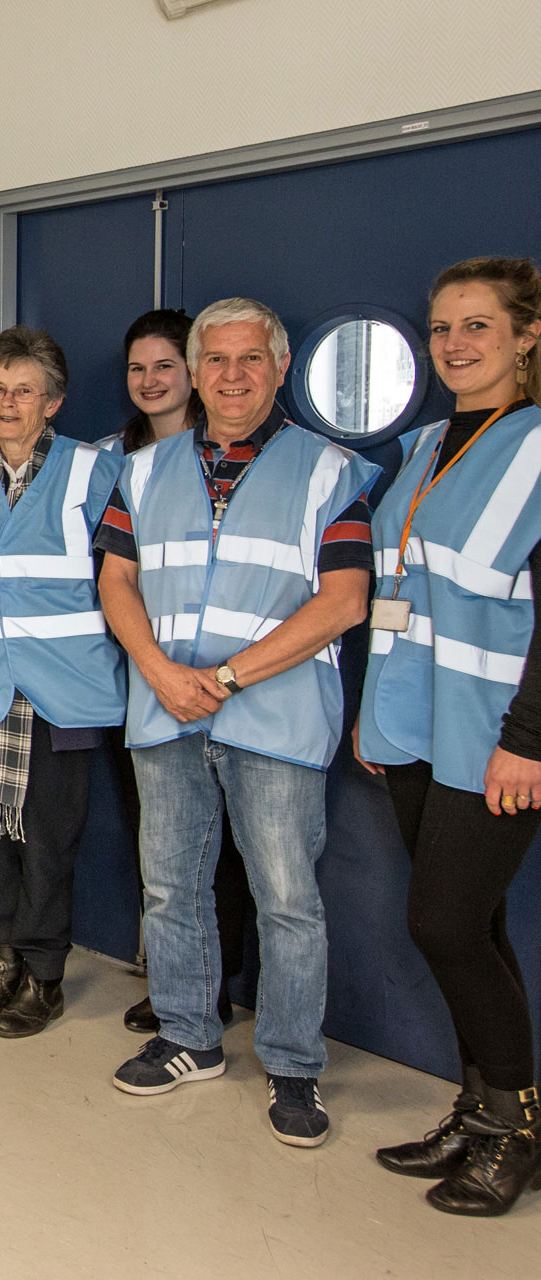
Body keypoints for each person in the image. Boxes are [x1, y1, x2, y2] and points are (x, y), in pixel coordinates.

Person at [97, 298, 375, 1147]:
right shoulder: (144, 470)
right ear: (194, 370)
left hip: (275, 720)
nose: (232, 376)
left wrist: (218, 678)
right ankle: (188, 1037)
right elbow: (116, 583)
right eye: (215, 360)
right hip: (164, 713)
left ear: (281, 366)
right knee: (171, 886)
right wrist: (160, 674)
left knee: (287, 901)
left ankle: (293, 1066)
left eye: (250, 359)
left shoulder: (330, 472)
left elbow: (344, 602)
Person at [358, 257, 541, 1213]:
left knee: (443, 922)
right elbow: (399, 592)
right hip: (413, 723)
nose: (455, 345)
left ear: (526, 335)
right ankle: (481, 1110)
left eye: (477, 326)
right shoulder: (428, 444)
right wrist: (372, 713)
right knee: (478, 925)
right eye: (441, 329)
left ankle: (514, 1127)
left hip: (499, 737)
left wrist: (531, 738)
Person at [0, 326, 125, 1039]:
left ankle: (44, 976)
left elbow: (122, 582)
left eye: (24, 391)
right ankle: (3, 957)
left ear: (53, 402)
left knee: (47, 838)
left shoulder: (92, 471)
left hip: (62, 690)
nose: (7, 404)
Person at [102, 310, 251, 1036]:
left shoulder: (240, 459)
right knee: (164, 849)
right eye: (138, 368)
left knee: (225, 855)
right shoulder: (119, 461)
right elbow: (112, 578)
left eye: (165, 365)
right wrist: (154, 669)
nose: (151, 381)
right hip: (147, 684)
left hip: (238, 689)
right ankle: (175, 981)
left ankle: (213, 987)